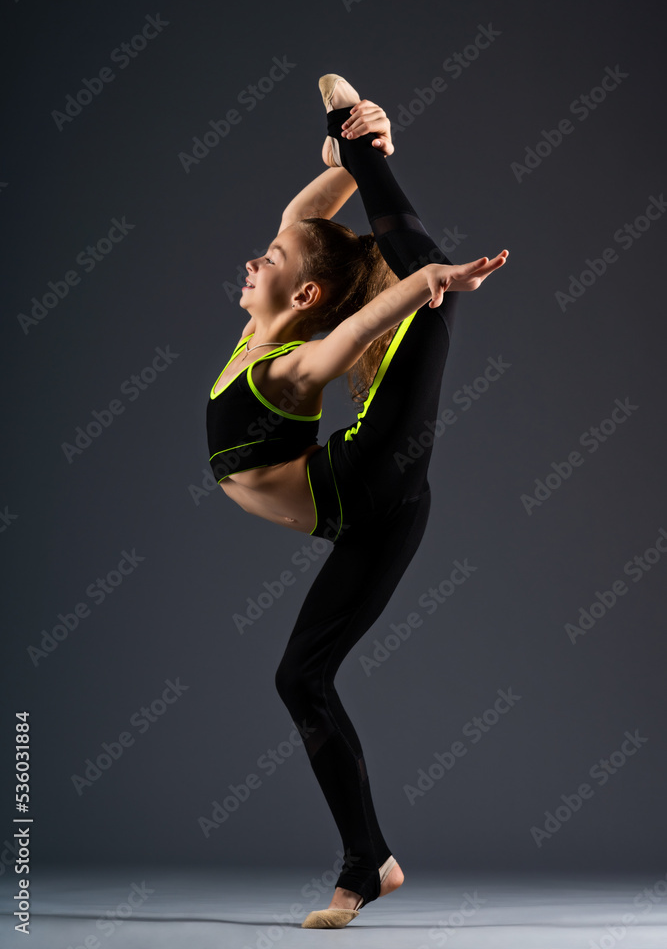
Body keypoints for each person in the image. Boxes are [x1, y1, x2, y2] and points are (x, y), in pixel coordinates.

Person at [206, 74, 508, 928]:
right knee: (300, 678)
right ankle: (371, 861)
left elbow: (348, 335)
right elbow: (302, 220)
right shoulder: (257, 331)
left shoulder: (289, 365)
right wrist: (345, 155)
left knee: (426, 286)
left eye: (267, 262)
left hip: (371, 475)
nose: (255, 259)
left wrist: (429, 284)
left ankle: (357, 867)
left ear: (299, 294)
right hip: (375, 522)